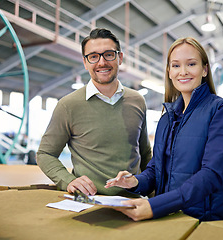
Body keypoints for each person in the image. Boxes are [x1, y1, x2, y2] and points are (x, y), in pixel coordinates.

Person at [105, 37, 223, 221]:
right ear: (169, 72)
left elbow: (212, 174)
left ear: (204, 69)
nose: (183, 72)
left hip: (203, 221)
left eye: (191, 64)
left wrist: (155, 205)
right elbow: (156, 170)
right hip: (168, 217)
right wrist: (135, 181)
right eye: (176, 66)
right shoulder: (167, 119)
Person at [37, 28, 152, 197]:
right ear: (85, 62)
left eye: (109, 54)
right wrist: (68, 180)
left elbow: (145, 153)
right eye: (93, 56)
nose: (101, 62)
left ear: (120, 58)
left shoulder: (137, 100)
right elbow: (45, 154)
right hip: (89, 201)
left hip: (133, 200)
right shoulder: (68, 105)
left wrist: (151, 190)